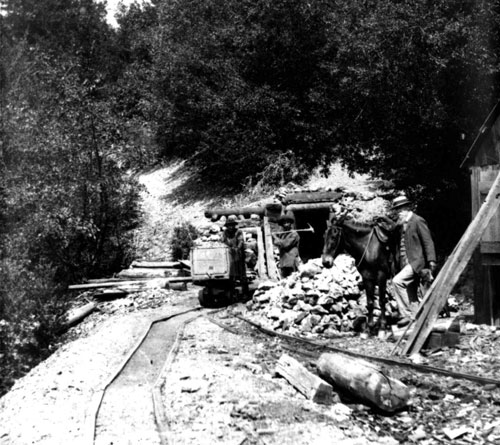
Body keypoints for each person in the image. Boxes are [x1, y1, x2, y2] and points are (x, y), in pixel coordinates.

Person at [391, 195, 437, 327]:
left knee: (397, 281)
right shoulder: (401, 224)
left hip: (417, 261)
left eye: (400, 209)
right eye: (396, 209)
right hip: (405, 262)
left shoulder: (418, 221)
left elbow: (428, 241)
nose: (398, 212)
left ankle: (405, 314)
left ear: (407, 208)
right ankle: (417, 321)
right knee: (411, 292)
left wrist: (431, 260)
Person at [221, 215, 248, 294]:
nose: (231, 227)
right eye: (229, 225)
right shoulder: (225, 233)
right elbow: (222, 241)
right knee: (230, 275)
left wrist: (237, 248)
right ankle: (231, 293)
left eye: (232, 225)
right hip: (229, 255)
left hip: (238, 255)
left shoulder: (238, 232)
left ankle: (245, 293)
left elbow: (241, 241)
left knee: (242, 275)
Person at [272, 213, 301, 278]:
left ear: (291, 223)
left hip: (291, 261)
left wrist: (275, 237)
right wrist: (276, 237)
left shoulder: (294, 234)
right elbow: (276, 243)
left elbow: (286, 244)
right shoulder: (282, 234)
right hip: (283, 261)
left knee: (293, 279)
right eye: (284, 223)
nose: (286, 225)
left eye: (288, 222)